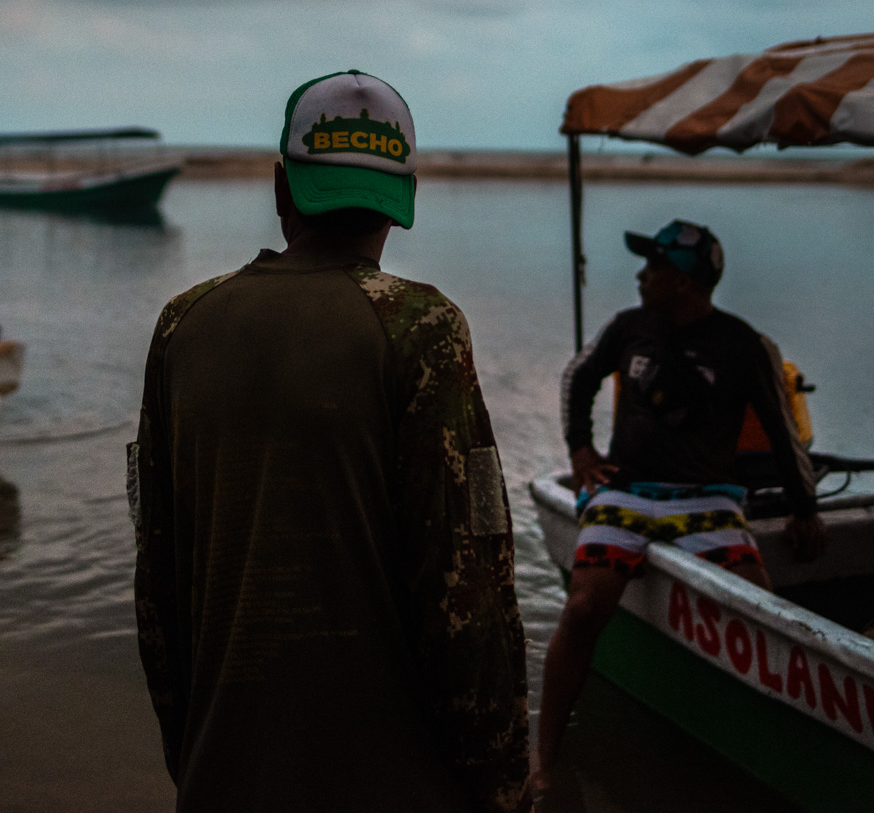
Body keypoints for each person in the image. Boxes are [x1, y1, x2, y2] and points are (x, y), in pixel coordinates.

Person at [131, 70, 531, 813]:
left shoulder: (183, 325)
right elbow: (470, 579)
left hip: (221, 777)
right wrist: (504, 783)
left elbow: (155, 577)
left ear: (282, 188)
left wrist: (190, 757)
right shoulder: (422, 328)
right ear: (403, 205)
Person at [533, 219, 827, 791]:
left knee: (759, 611)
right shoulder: (629, 327)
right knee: (583, 610)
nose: (641, 276)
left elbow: (781, 427)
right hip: (625, 491)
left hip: (708, 500)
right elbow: (578, 376)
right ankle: (545, 759)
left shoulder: (743, 345)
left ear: (685, 282)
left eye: (654, 267)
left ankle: (764, 756)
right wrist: (581, 448)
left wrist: (804, 508)